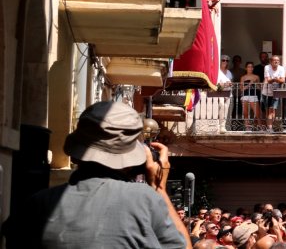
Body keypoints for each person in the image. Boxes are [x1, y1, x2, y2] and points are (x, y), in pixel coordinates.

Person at [17, 101, 190, 248]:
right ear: (134, 162)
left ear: (76, 155)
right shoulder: (145, 200)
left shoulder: (38, 203)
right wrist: (159, 188)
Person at [263, 54, 286, 132]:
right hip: (266, 92)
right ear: (271, 61)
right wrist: (276, 79)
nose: (276, 61)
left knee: (272, 110)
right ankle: (269, 127)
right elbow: (268, 80)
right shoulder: (267, 67)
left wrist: (274, 79)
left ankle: (270, 127)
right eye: (274, 60)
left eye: (278, 60)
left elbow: (283, 80)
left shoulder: (281, 68)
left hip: (276, 92)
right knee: (269, 110)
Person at [241, 61, 263, 131]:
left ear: (253, 68)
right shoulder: (243, 77)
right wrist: (250, 84)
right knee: (245, 113)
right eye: (248, 67)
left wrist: (256, 83)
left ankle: (260, 128)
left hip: (253, 95)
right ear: (246, 68)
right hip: (245, 96)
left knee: (257, 114)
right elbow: (241, 89)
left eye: (251, 67)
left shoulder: (256, 76)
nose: (250, 68)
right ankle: (247, 128)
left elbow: (259, 88)